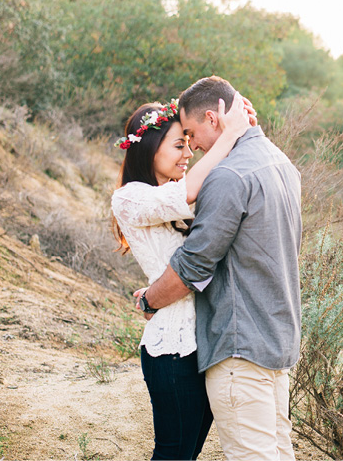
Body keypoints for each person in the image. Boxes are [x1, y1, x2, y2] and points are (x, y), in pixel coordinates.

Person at [134, 76, 302, 461]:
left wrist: (150, 302)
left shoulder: (227, 177)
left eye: (191, 134)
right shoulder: (280, 163)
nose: (192, 147)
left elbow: (193, 265)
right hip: (278, 341)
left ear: (214, 119)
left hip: (240, 346)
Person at [111, 93, 254, 460]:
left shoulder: (171, 195)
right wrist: (228, 134)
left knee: (187, 453)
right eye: (179, 144)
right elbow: (189, 191)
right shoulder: (129, 197)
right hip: (172, 349)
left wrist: (240, 126)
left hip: (203, 343)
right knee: (173, 452)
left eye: (190, 144)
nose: (188, 153)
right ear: (149, 149)